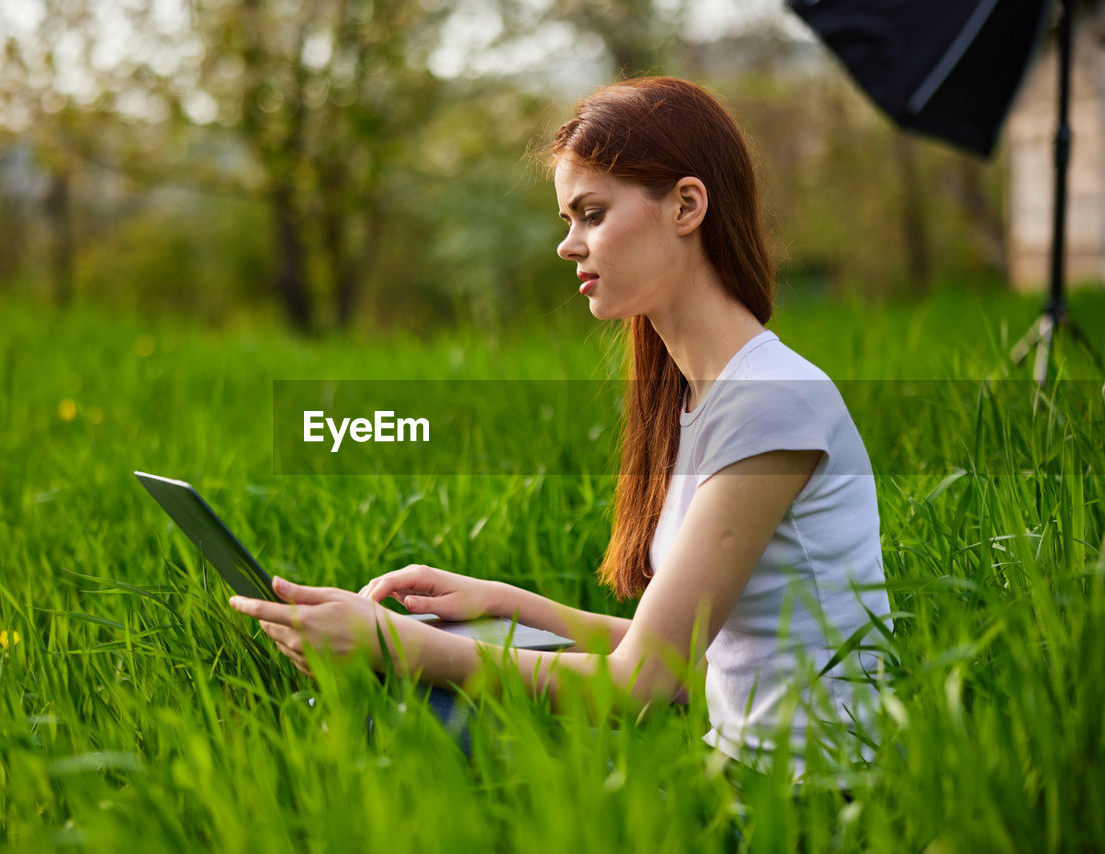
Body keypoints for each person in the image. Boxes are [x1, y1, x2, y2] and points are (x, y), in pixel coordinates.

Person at [230, 77, 892, 779]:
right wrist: (503, 604)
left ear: (686, 205)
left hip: (801, 807)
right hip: (734, 781)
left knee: (419, 699)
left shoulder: (770, 401)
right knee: (438, 667)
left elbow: (647, 683)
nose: (567, 246)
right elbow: (689, 657)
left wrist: (395, 645)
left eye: (592, 214)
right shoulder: (703, 400)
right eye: (568, 219)